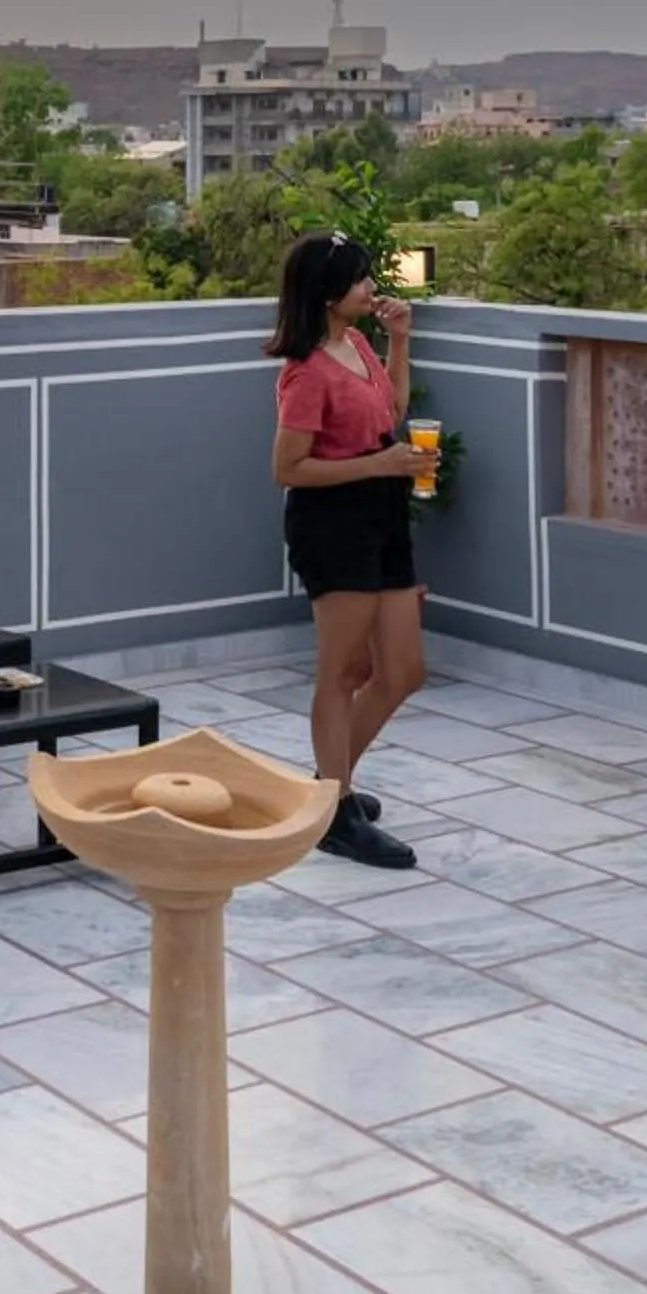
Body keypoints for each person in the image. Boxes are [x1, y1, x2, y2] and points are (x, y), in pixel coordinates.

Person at [270, 231, 436, 868]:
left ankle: (324, 788)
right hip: (333, 522)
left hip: (383, 509)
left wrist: (400, 339)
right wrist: (379, 466)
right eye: (362, 280)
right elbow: (288, 469)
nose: (373, 288)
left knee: (402, 670)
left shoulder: (360, 343)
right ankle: (335, 811)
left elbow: (392, 409)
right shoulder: (305, 371)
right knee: (341, 672)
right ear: (327, 293)